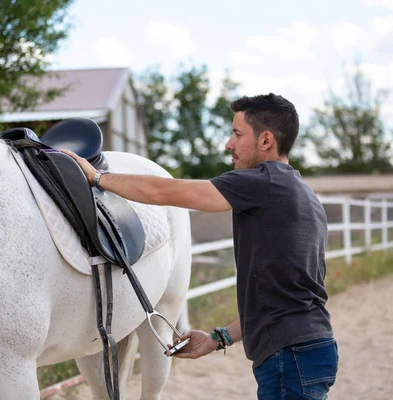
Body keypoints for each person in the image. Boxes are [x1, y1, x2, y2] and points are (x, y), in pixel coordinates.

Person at [62, 93, 338, 399]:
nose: (228, 144)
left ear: (266, 141)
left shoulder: (263, 182)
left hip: (289, 357)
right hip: (308, 348)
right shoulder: (304, 196)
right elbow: (284, 301)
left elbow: (165, 191)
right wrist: (216, 339)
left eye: (237, 133)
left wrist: (98, 177)